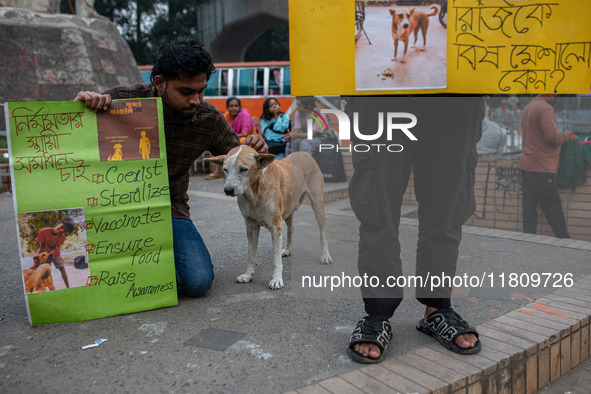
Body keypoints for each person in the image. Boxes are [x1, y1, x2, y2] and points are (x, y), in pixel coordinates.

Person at [74, 36, 267, 297]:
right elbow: (72, 144)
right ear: (159, 83)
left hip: (168, 207)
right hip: (111, 206)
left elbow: (238, 157)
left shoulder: (208, 118)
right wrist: (82, 108)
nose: (196, 100)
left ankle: (142, 269)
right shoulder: (119, 102)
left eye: (201, 90)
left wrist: (256, 149)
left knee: (198, 281)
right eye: (186, 92)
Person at [345, 96, 484, 363]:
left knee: (447, 206)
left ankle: (437, 308)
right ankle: (378, 312)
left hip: (457, 91)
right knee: (377, 207)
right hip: (380, 87)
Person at [518, 94, 571, 238]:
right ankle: (564, 240)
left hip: (527, 164)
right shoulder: (545, 108)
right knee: (553, 206)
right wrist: (567, 135)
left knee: (529, 206)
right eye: (558, 95)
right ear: (550, 92)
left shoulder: (530, 106)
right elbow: (552, 137)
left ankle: (529, 238)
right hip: (542, 166)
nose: (558, 99)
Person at [37, 216, 75, 288]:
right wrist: (37, 258)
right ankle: (51, 288)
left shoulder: (62, 236)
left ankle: (68, 287)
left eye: (64, 231)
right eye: (62, 227)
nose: (61, 231)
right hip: (45, 253)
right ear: (58, 223)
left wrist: (52, 253)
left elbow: (55, 246)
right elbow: (41, 246)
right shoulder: (43, 231)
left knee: (62, 267)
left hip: (55, 252)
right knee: (47, 270)